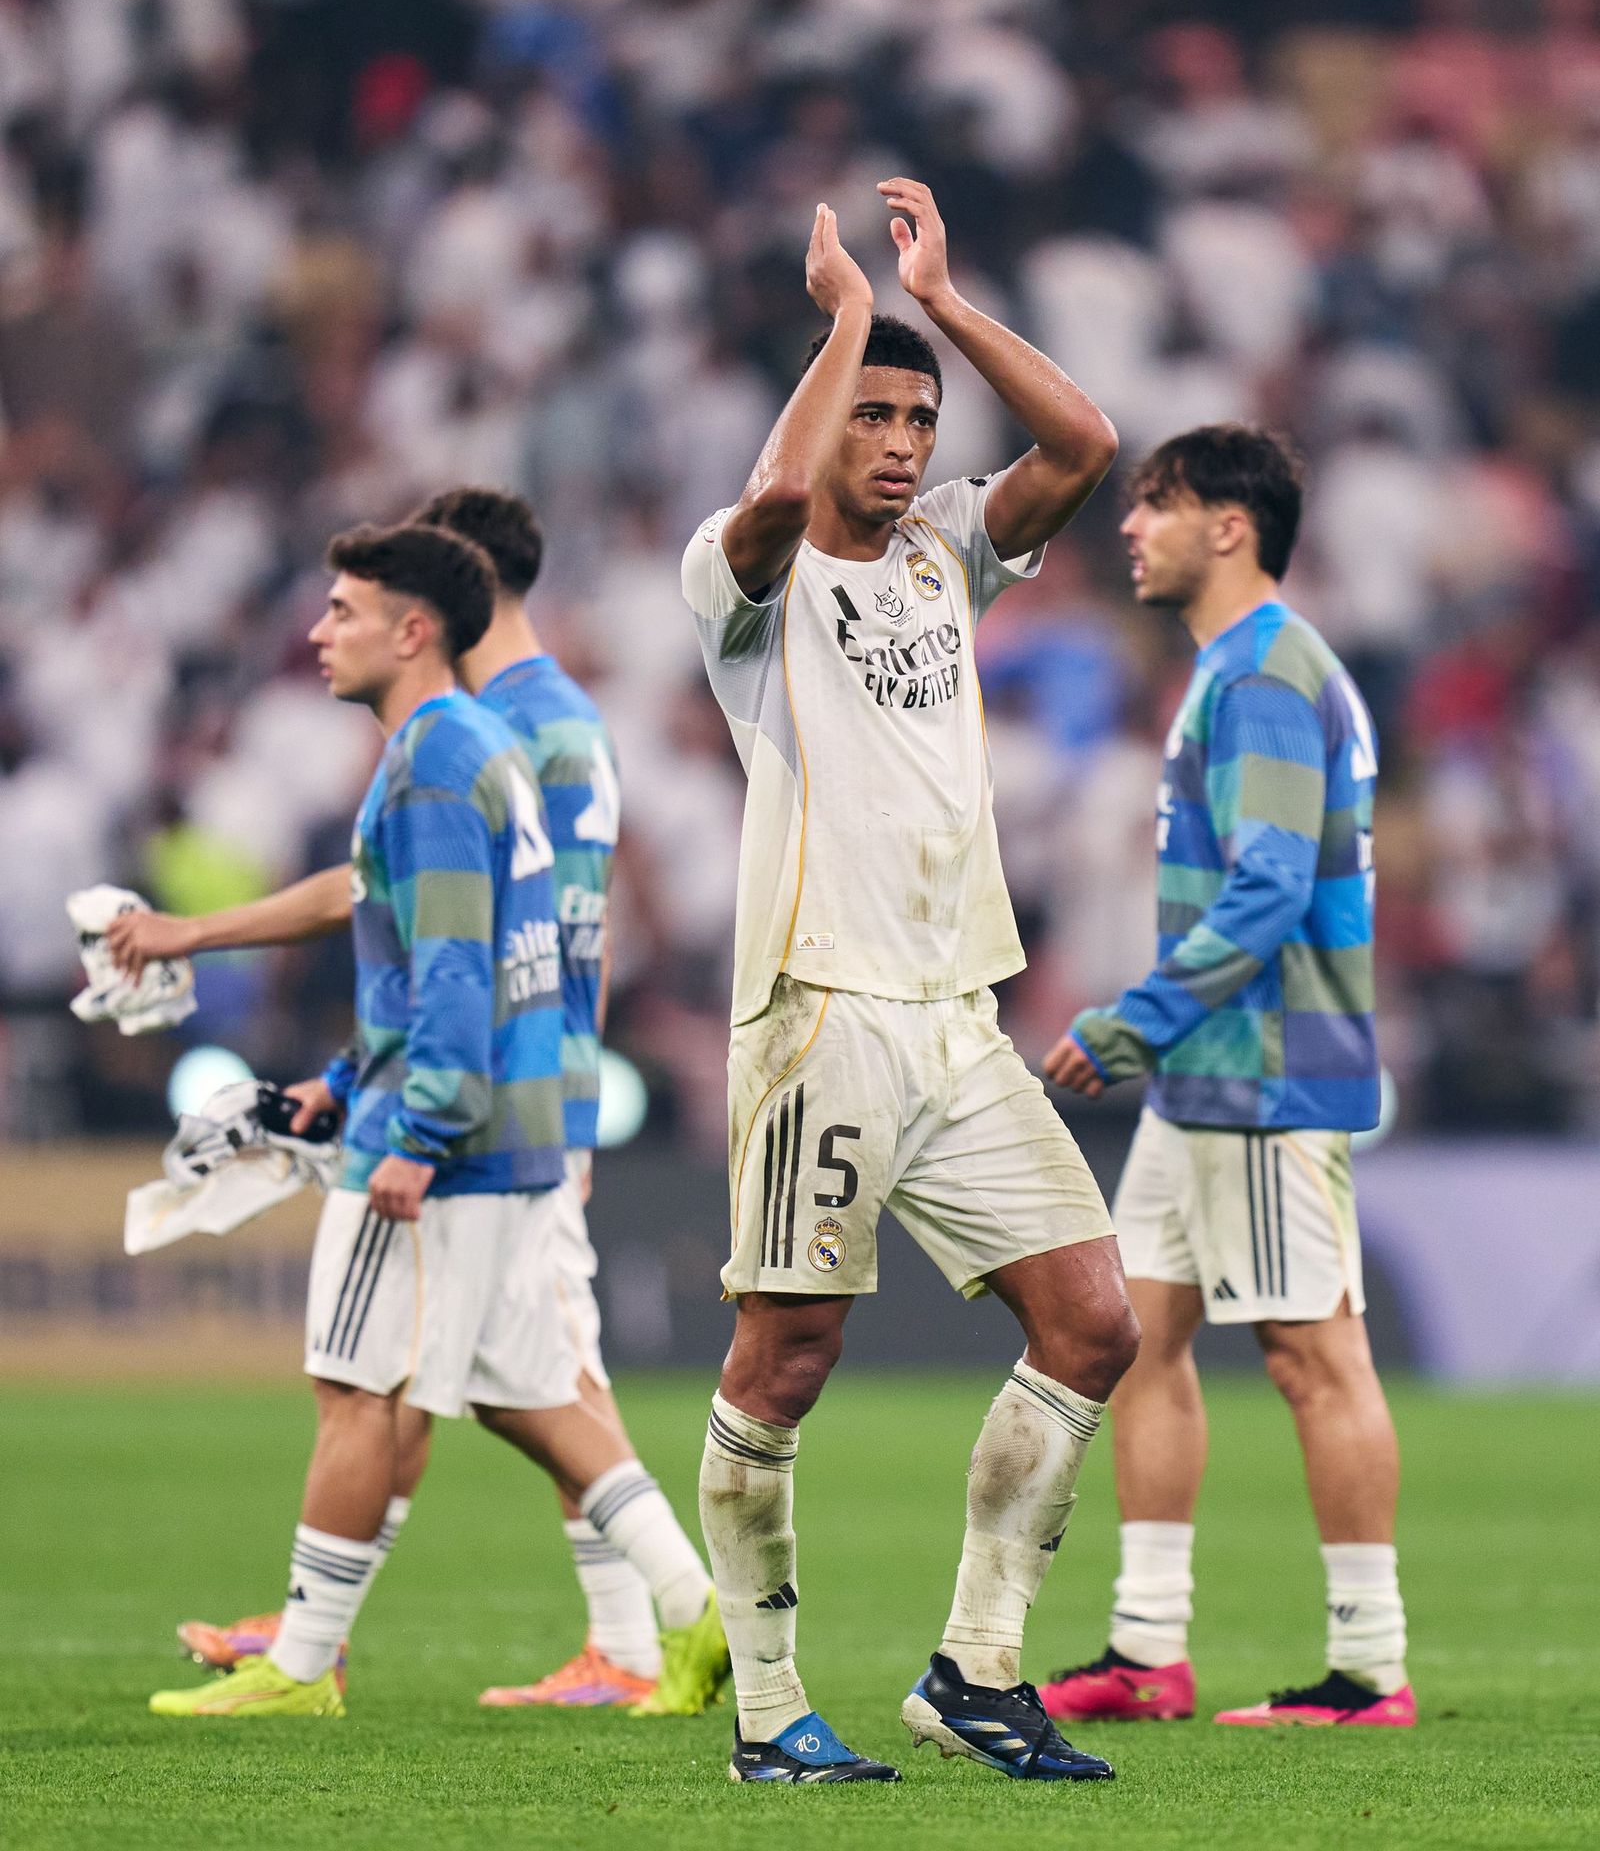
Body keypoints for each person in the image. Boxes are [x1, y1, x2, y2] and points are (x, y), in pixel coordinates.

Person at [120, 491, 726, 1718]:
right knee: (527, 1389)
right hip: (511, 1096)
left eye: (342, 609)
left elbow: (462, 954)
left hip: (468, 1116)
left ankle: (307, 1657)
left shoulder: (452, 752)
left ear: (420, 622)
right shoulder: (506, 736)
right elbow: (469, 936)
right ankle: (688, 1605)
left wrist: (420, 1121)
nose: (317, 631)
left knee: (369, 1381)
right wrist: (352, 1077)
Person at [680, 180, 1138, 1785]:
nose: (895, 442)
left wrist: (938, 305)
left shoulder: (948, 549)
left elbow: (1085, 441)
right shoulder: (743, 580)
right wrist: (850, 324)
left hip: (958, 1013)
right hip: (821, 1008)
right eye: (870, 416)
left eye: (916, 420)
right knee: (786, 1358)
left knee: (1092, 1322)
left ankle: (974, 1670)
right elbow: (769, 495)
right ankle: (766, 1712)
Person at [1039, 424, 1413, 1730]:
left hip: (1260, 1070)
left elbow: (1267, 887)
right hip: (1207, 1081)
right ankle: (1148, 1651)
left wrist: (1135, 1021)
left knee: (1313, 1356)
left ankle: (1368, 1666)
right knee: (1139, 1345)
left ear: (1231, 526)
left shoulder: (1262, 674)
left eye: (1158, 503)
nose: (1131, 526)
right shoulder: (1240, 669)